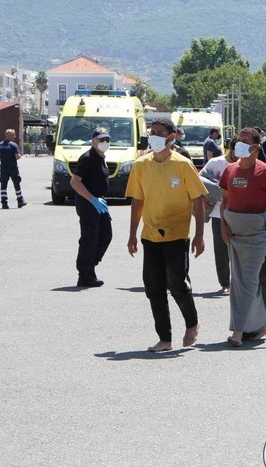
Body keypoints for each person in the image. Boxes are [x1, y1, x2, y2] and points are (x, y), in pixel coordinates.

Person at [127, 118, 207, 352]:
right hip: (150, 234)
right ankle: (165, 338)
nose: (154, 137)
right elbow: (137, 201)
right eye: (152, 133)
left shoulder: (182, 165)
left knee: (177, 283)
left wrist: (200, 235)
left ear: (171, 138)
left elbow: (198, 201)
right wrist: (132, 234)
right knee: (153, 287)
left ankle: (192, 323)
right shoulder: (141, 165)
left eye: (160, 133)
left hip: (177, 234)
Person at [219, 127, 266, 347]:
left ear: (255, 147)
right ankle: (261, 326)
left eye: (244, 141)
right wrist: (223, 225)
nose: (239, 144)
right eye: (237, 141)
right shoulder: (230, 170)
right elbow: (224, 201)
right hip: (235, 233)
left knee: (248, 281)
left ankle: (238, 331)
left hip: (256, 234)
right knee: (239, 281)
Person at [70, 127, 113, 288]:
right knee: (89, 238)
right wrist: (92, 199)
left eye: (107, 139)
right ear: (93, 140)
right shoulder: (87, 158)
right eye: (101, 139)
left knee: (105, 235)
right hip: (88, 203)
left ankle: (91, 266)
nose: (104, 142)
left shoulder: (100, 157)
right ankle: (84, 273)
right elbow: (74, 182)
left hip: (99, 203)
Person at [198, 138, 238, 294]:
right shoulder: (215, 163)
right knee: (221, 250)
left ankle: (238, 281)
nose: (238, 156)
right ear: (230, 149)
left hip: (238, 213)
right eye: (236, 152)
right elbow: (199, 181)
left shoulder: (245, 164)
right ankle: (225, 283)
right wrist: (204, 199)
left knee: (237, 249)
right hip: (217, 213)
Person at [0, 128, 27, 209]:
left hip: (3, 168)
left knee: (3, 185)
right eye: (14, 135)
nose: (15, 137)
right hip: (13, 168)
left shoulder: (0, 145)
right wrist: (20, 156)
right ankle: (20, 201)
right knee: (16, 184)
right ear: (10, 136)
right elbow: (17, 157)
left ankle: (4, 203)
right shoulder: (13, 145)